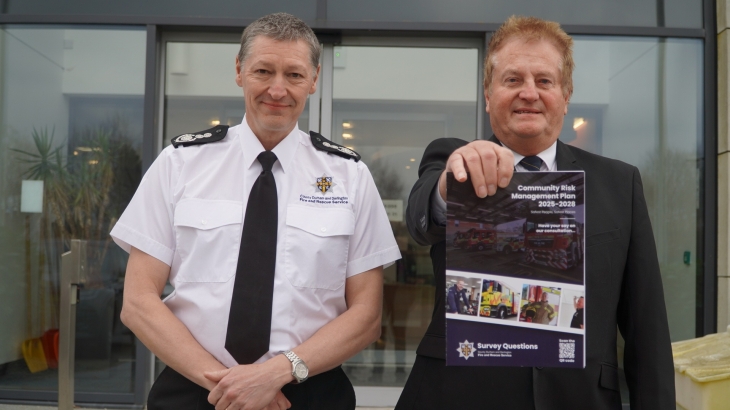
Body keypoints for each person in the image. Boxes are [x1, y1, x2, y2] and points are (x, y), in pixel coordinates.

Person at [112, 13, 400, 410]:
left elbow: (366, 315)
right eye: (264, 70)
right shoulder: (179, 164)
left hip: (307, 391)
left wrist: (277, 372)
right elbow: (138, 302)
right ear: (239, 71)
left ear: (314, 80)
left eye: (294, 75)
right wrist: (232, 387)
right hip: (194, 389)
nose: (277, 89)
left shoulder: (350, 176)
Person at [398, 15, 674, 410]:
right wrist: (451, 184)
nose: (529, 93)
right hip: (460, 395)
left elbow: (646, 325)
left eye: (544, 81)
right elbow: (421, 219)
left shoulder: (618, 183)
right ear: (489, 94)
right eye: (513, 80)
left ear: (565, 95)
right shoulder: (453, 160)